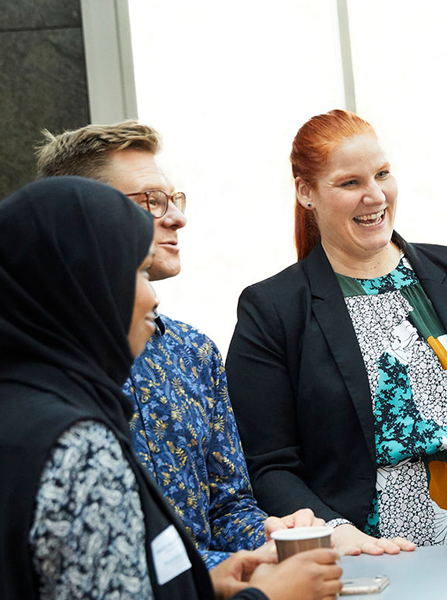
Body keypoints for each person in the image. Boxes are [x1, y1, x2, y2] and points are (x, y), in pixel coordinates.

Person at [0, 177, 342, 600]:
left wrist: (198, 587)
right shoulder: (77, 443)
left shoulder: (6, 409)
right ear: (83, 286)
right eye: (134, 271)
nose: (152, 298)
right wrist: (268, 597)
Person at [226, 109, 447, 554]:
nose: (375, 195)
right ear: (306, 193)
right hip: (367, 559)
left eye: (382, 174)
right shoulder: (272, 309)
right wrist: (336, 531)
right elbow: (267, 465)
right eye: (350, 183)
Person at [27, 121, 318, 568]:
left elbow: (228, 505)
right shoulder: (19, 368)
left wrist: (268, 531)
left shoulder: (193, 352)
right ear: (84, 213)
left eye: (174, 198)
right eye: (152, 200)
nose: (177, 217)